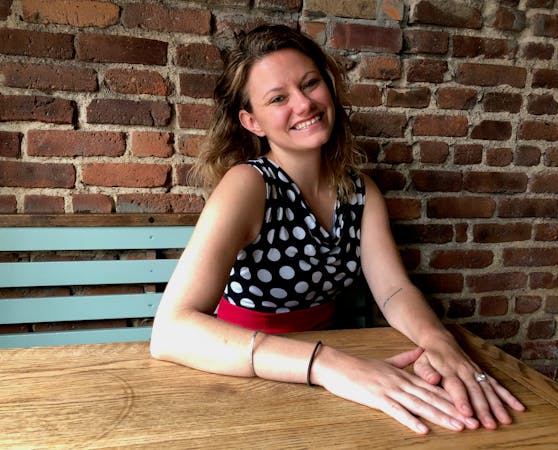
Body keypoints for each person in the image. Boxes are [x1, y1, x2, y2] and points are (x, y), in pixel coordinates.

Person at [150, 24, 525, 434]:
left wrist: (440, 342)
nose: (304, 104)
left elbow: (394, 290)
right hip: (243, 368)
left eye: (310, 83)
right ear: (251, 121)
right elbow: (170, 331)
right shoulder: (248, 184)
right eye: (278, 98)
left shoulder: (361, 191)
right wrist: (327, 363)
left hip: (337, 367)